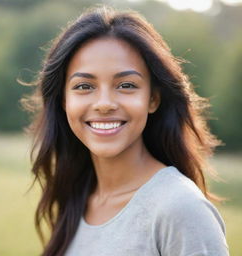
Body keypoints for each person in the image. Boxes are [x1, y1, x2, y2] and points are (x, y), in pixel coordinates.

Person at [22, 5, 230, 256]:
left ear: (153, 99)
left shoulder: (181, 209)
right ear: (64, 101)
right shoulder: (78, 195)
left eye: (126, 85)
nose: (104, 104)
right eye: (84, 86)